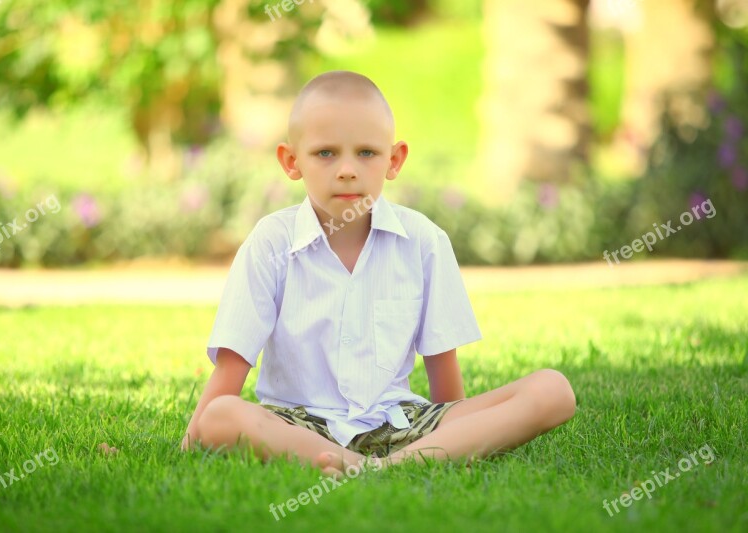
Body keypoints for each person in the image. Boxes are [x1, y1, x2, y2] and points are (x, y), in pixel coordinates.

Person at [181, 70, 575, 477]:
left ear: (395, 159)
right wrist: (192, 442)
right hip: (298, 427)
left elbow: (445, 378)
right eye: (326, 153)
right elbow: (231, 367)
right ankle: (368, 467)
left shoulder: (423, 240)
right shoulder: (270, 243)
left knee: (553, 390)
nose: (348, 169)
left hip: (400, 423)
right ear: (291, 161)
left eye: (367, 153)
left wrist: (457, 430)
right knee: (222, 415)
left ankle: (383, 467)